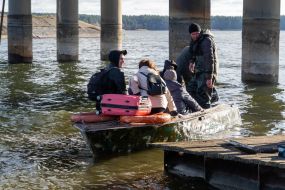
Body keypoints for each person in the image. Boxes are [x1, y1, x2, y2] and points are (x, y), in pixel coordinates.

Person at [187, 23, 218, 109]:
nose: (195, 36)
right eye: (193, 34)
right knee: (190, 89)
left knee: (203, 94)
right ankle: (197, 108)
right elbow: (192, 52)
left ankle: (207, 109)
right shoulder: (194, 40)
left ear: (200, 32)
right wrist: (191, 62)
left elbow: (209, 59)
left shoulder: (206, 41)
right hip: (198, 71)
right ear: (190, 34)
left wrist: (209, 78)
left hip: (207, 71)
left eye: (197, 33)